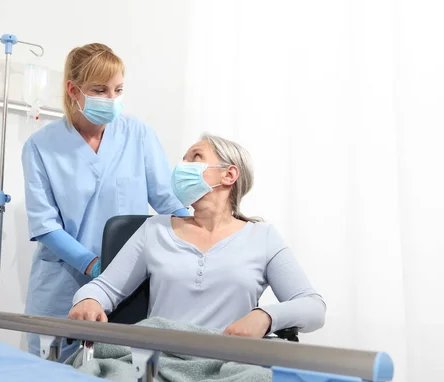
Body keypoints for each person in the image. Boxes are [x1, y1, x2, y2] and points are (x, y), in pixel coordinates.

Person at [22, 43, 189, 361]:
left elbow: (167, 199)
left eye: (118, 90)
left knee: (121, 373)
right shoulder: (41, 146)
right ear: (74, 89)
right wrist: (93, 264)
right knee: (52, 378)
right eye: (100, 90)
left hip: (128, 281)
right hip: (62, 285)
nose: (112, 100)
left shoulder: (137, 134)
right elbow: (44, 225)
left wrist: (202, 230)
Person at [68, 134, 326, 338]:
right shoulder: (155, 230)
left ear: (229, 174)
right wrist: (88, 300)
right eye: (183, 159)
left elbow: (313, 307)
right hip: (157, 363)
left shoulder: (263, 237)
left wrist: (266, 317)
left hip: (227, 367)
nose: (182, 167)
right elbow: (104, 288)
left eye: (195, 157)